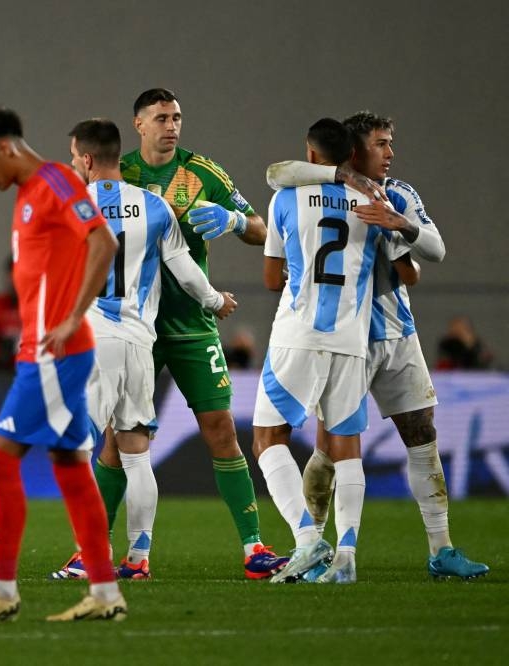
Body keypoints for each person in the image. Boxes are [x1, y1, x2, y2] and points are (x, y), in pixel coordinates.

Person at [267, 111, 489, 579]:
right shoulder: (330, 187)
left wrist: (397, 225)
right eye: (381, 144)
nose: (390, 153)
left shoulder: (400, 195)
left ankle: (442, 549)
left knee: (421, 433)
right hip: (351, 339)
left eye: (391, 144)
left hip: (397, 334)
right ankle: (315, 548)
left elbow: (430, 255)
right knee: (331, 448)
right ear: (354, 151)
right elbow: (278, 172)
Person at [0, 108, 124, 623]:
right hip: (46, 352)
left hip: (53, 353)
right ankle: (105, 595)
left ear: (5, 148)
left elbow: (103, 240)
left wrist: (71, 319)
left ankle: (2, 590)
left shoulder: (55, 180)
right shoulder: (29, 193)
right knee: (70, 467)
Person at [50, 118, 236, 581]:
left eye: (75, 156)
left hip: (91, 340)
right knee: (135, 452)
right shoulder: (153, 207)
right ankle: (137, 558)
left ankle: (88, 555)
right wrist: (216, 300)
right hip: (138, 340)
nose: (73, 164)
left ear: (88, 159)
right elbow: (186, 271)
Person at [119, 88, 287, 578]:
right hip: (136, 327)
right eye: (161, 118)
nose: (171, 126)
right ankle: (90, 553)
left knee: (220, 431)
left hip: (193, 323)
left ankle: (254, 548)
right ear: (139, 124)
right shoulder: (120, 174)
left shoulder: (204, 173)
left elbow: (261, 228)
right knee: (118, 440)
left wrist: (234, 220)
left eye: (177, 118)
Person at [255, 118, 416, 584]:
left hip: (297, 334)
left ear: (310, 154)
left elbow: (270, 279)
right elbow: (405, 269)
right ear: (350, 154)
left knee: (268, 440)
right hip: (351, 338)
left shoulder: (286, 197)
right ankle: (346, 557)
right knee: (347, 449)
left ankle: (307, 540)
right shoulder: (372, 199)